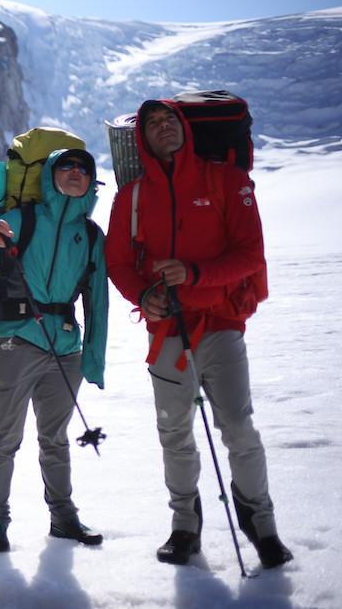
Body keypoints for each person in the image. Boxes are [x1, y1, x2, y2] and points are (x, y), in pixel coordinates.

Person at [105, 100, 293, 568]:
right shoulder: (130, 197)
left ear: (185, 128)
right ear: (142, 139)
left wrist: (193, 274)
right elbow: (119, 263)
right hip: (167, 329)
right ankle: (185, 525)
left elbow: (250, 254)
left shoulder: (227, 182)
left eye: (170, 121)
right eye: (153, 124)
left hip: (220, 324)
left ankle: (262, 524)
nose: (163, 128)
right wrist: (141, 297)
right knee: (174, 433)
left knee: (239, 428)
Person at [0, 147, 108, 552]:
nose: (75, 172)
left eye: (83, 168)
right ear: (50, 174)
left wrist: (93, 359)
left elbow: (98, 301)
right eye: (67, 166)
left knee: (56, 439)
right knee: (4, 439)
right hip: (17, 342)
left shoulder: (93, 236)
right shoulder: (21, 219)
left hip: (66, 348)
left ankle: (63, 518)